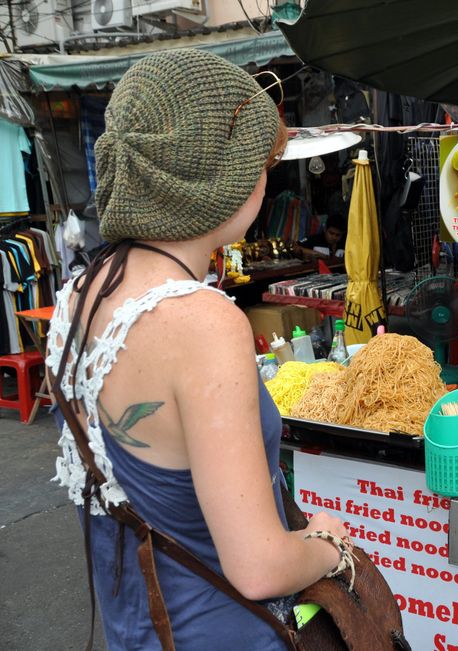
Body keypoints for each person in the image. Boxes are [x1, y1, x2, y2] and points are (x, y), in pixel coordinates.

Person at [45, 50, 347, 649]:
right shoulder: (204, 323)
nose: (268, 176)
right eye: (261, 161)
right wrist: (328, 547)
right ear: (218, 176)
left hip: (134, 629)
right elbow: (258, 566)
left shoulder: (80, 290)